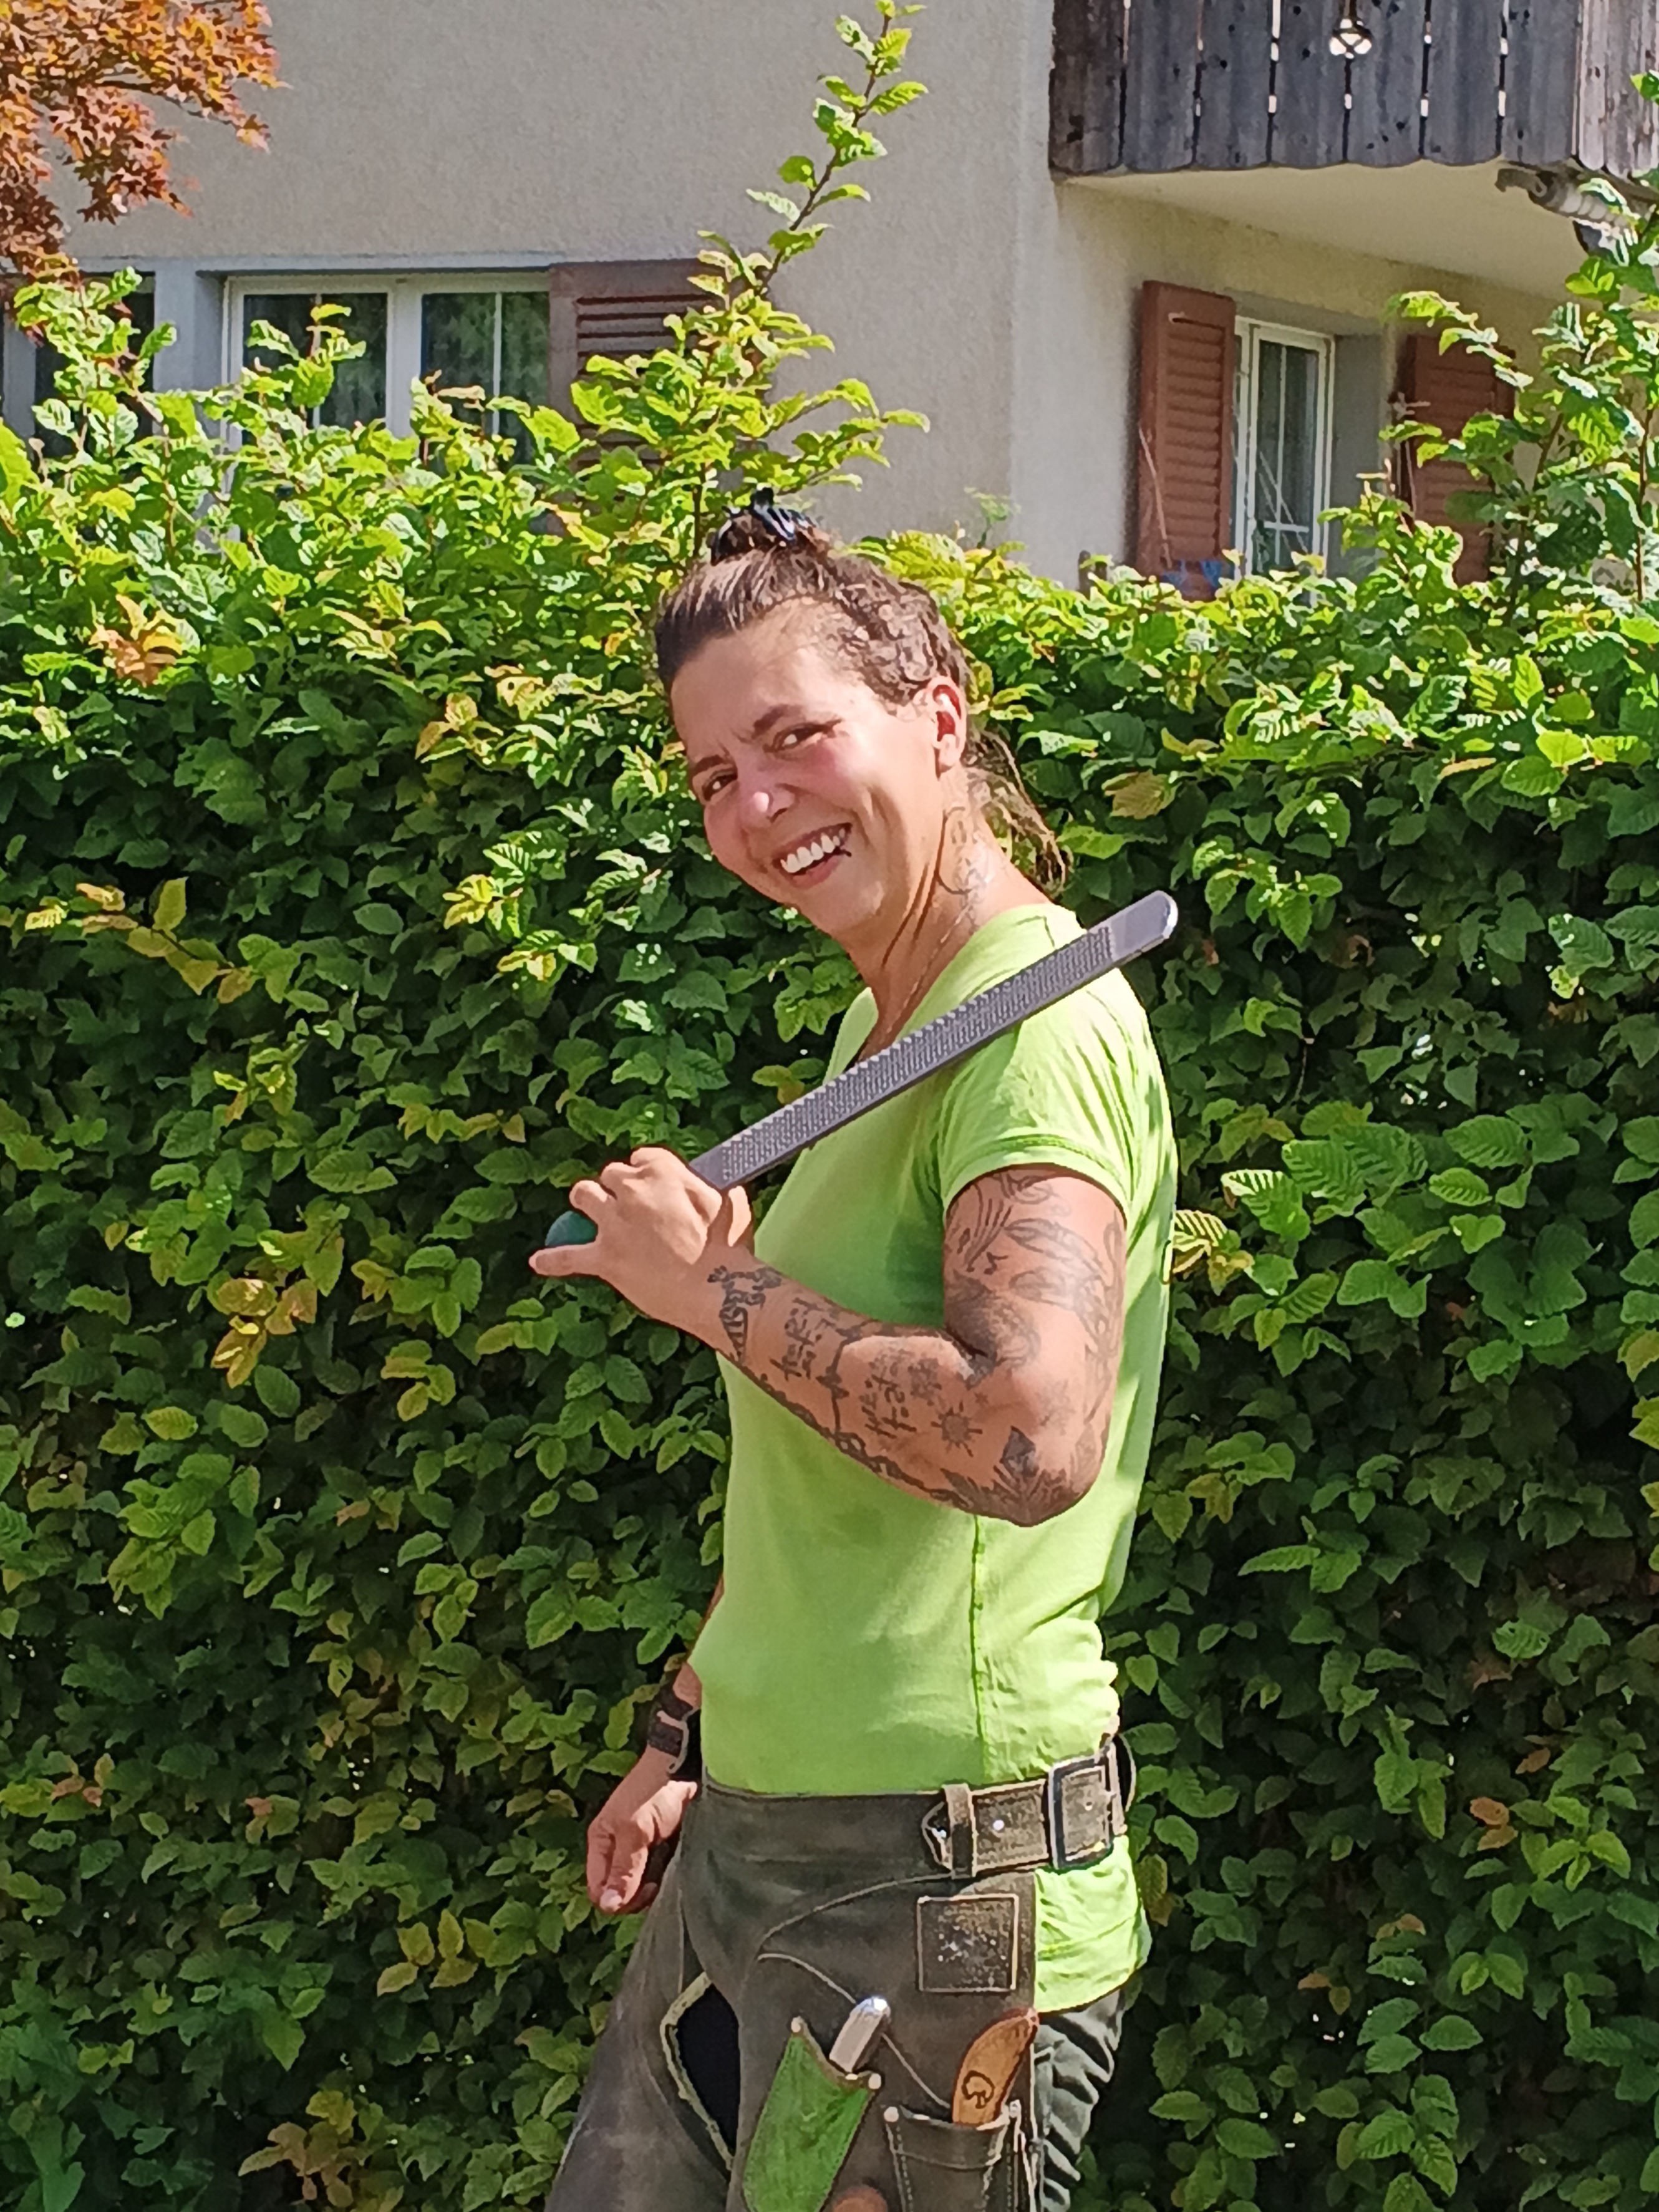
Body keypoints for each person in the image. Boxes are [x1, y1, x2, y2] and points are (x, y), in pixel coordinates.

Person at [531, 493, 1176, 2212]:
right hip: (776, 1836)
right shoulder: (887, 1025)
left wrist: (713, 1293)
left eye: (794, 738)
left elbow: (1029, 1436)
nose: (754, 807)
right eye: (711, 776)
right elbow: (829, 1484)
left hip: (931, 1872)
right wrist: (686, 1736)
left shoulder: (1036, 1032)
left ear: (937, 718)